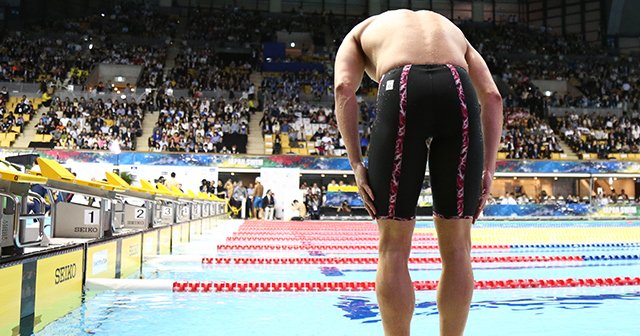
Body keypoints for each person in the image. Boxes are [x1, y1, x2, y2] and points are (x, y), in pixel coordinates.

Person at [334, 9, 503, 336]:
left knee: (393, 247)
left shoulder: (358, 34)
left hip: (402, 87)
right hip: (459, 88)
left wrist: (356, 164)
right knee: (458, 248)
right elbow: (493, 97)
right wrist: (489, 169)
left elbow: (343, 89)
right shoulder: (451, 30)